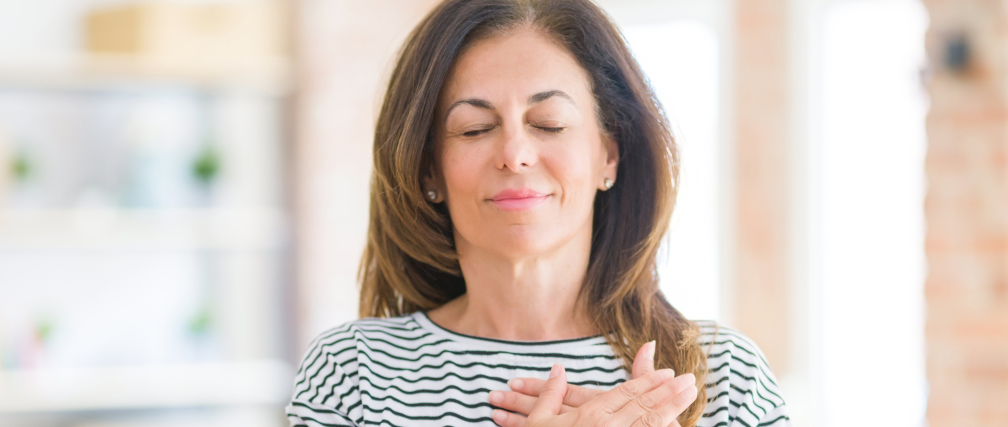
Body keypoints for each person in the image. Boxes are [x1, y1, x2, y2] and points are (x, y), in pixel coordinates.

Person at [286, 0, 791, 426]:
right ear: (428, 172)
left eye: (549, 123)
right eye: (474, 128)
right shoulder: (353, 373)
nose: (515, 153)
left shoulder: (723, 376)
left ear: (608, 156)